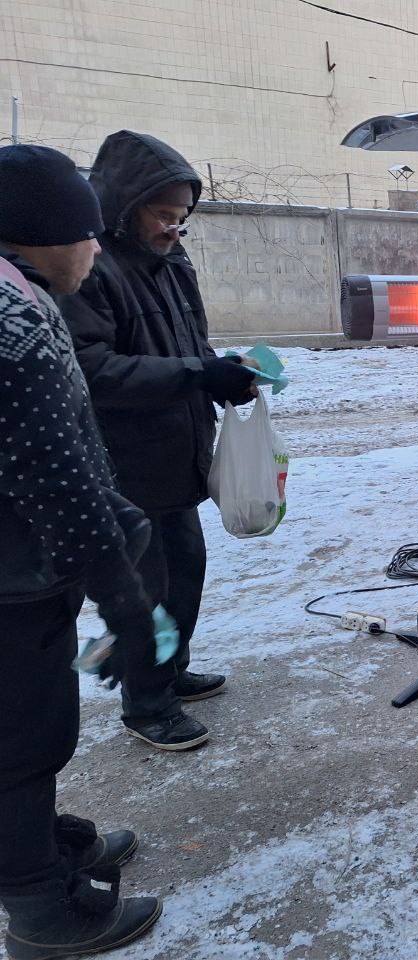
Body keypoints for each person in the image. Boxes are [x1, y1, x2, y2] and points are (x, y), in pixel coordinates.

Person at [0, 144, 163, 958]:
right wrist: (121, 594)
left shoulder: (13, 293)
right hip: (13, 584)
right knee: (22, 741)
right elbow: (52, 473)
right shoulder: (16, 321)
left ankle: (38, 841)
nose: (98, 249)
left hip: (18, 570)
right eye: (87, 234)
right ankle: (41, 910)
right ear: (38, 235)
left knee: (23, 737)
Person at [60, 131, 258, 751]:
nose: (176, 230)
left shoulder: (172, 265)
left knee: (183, 579)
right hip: (124, 469)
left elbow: (187, 350)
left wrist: (220, 374)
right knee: (141, 592)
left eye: (183, 219)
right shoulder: (93, 269)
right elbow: (90, 370)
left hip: (176, 457)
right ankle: (145, 702)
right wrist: (196, 374)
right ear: (124, 206)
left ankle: (168, 671)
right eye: (165, 216)